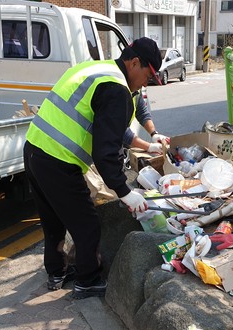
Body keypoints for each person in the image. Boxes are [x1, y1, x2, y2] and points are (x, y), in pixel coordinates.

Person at [23, 37, 163, 299]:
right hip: (58, 161)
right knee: (87, 224)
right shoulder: (116, 89)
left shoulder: (96, 70)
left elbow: (107, 128)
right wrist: (124, 191)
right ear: (134, 63)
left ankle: (56, 273)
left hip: (34, 149)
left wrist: (147, 144)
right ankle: (87, 281)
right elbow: (105, 152)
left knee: (52, 219)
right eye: (148, 76)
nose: (148, 83)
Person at [123, 92, 170, 156]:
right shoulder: (118, 91)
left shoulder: (135, 89)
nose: (145, 85)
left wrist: (154, 134)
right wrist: (149, 147)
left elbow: (142, 112)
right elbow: (121, 129)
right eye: (145, 81)